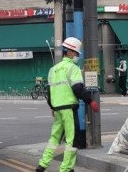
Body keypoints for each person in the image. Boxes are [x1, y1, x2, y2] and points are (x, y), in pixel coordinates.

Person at [35, 37, 100, 172]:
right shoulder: (73, 68)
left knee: (54, 137)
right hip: (69, 109)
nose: (77, 56)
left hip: (57, 109)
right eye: (76, 53)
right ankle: (66, 168)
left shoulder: (53, 69)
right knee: (72, 140)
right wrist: (90, 101)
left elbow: (49, 91)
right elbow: (77, 88)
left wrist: (52, 107)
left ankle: (42, 164)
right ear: (69, 52)